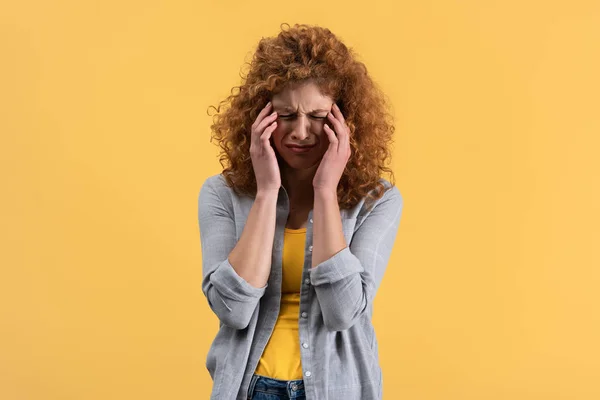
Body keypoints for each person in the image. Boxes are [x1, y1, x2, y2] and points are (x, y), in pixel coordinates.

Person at [198, 23, 404, 400]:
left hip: (335, 389)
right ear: (259, 117)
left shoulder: (377, 199)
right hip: (250, 387)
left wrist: (325, 191)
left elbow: (343, 313)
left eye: (319, 116)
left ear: (345, 120)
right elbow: (233, 310)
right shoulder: (222, 193)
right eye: (286, 115)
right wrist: (266, 193)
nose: (301, 132)